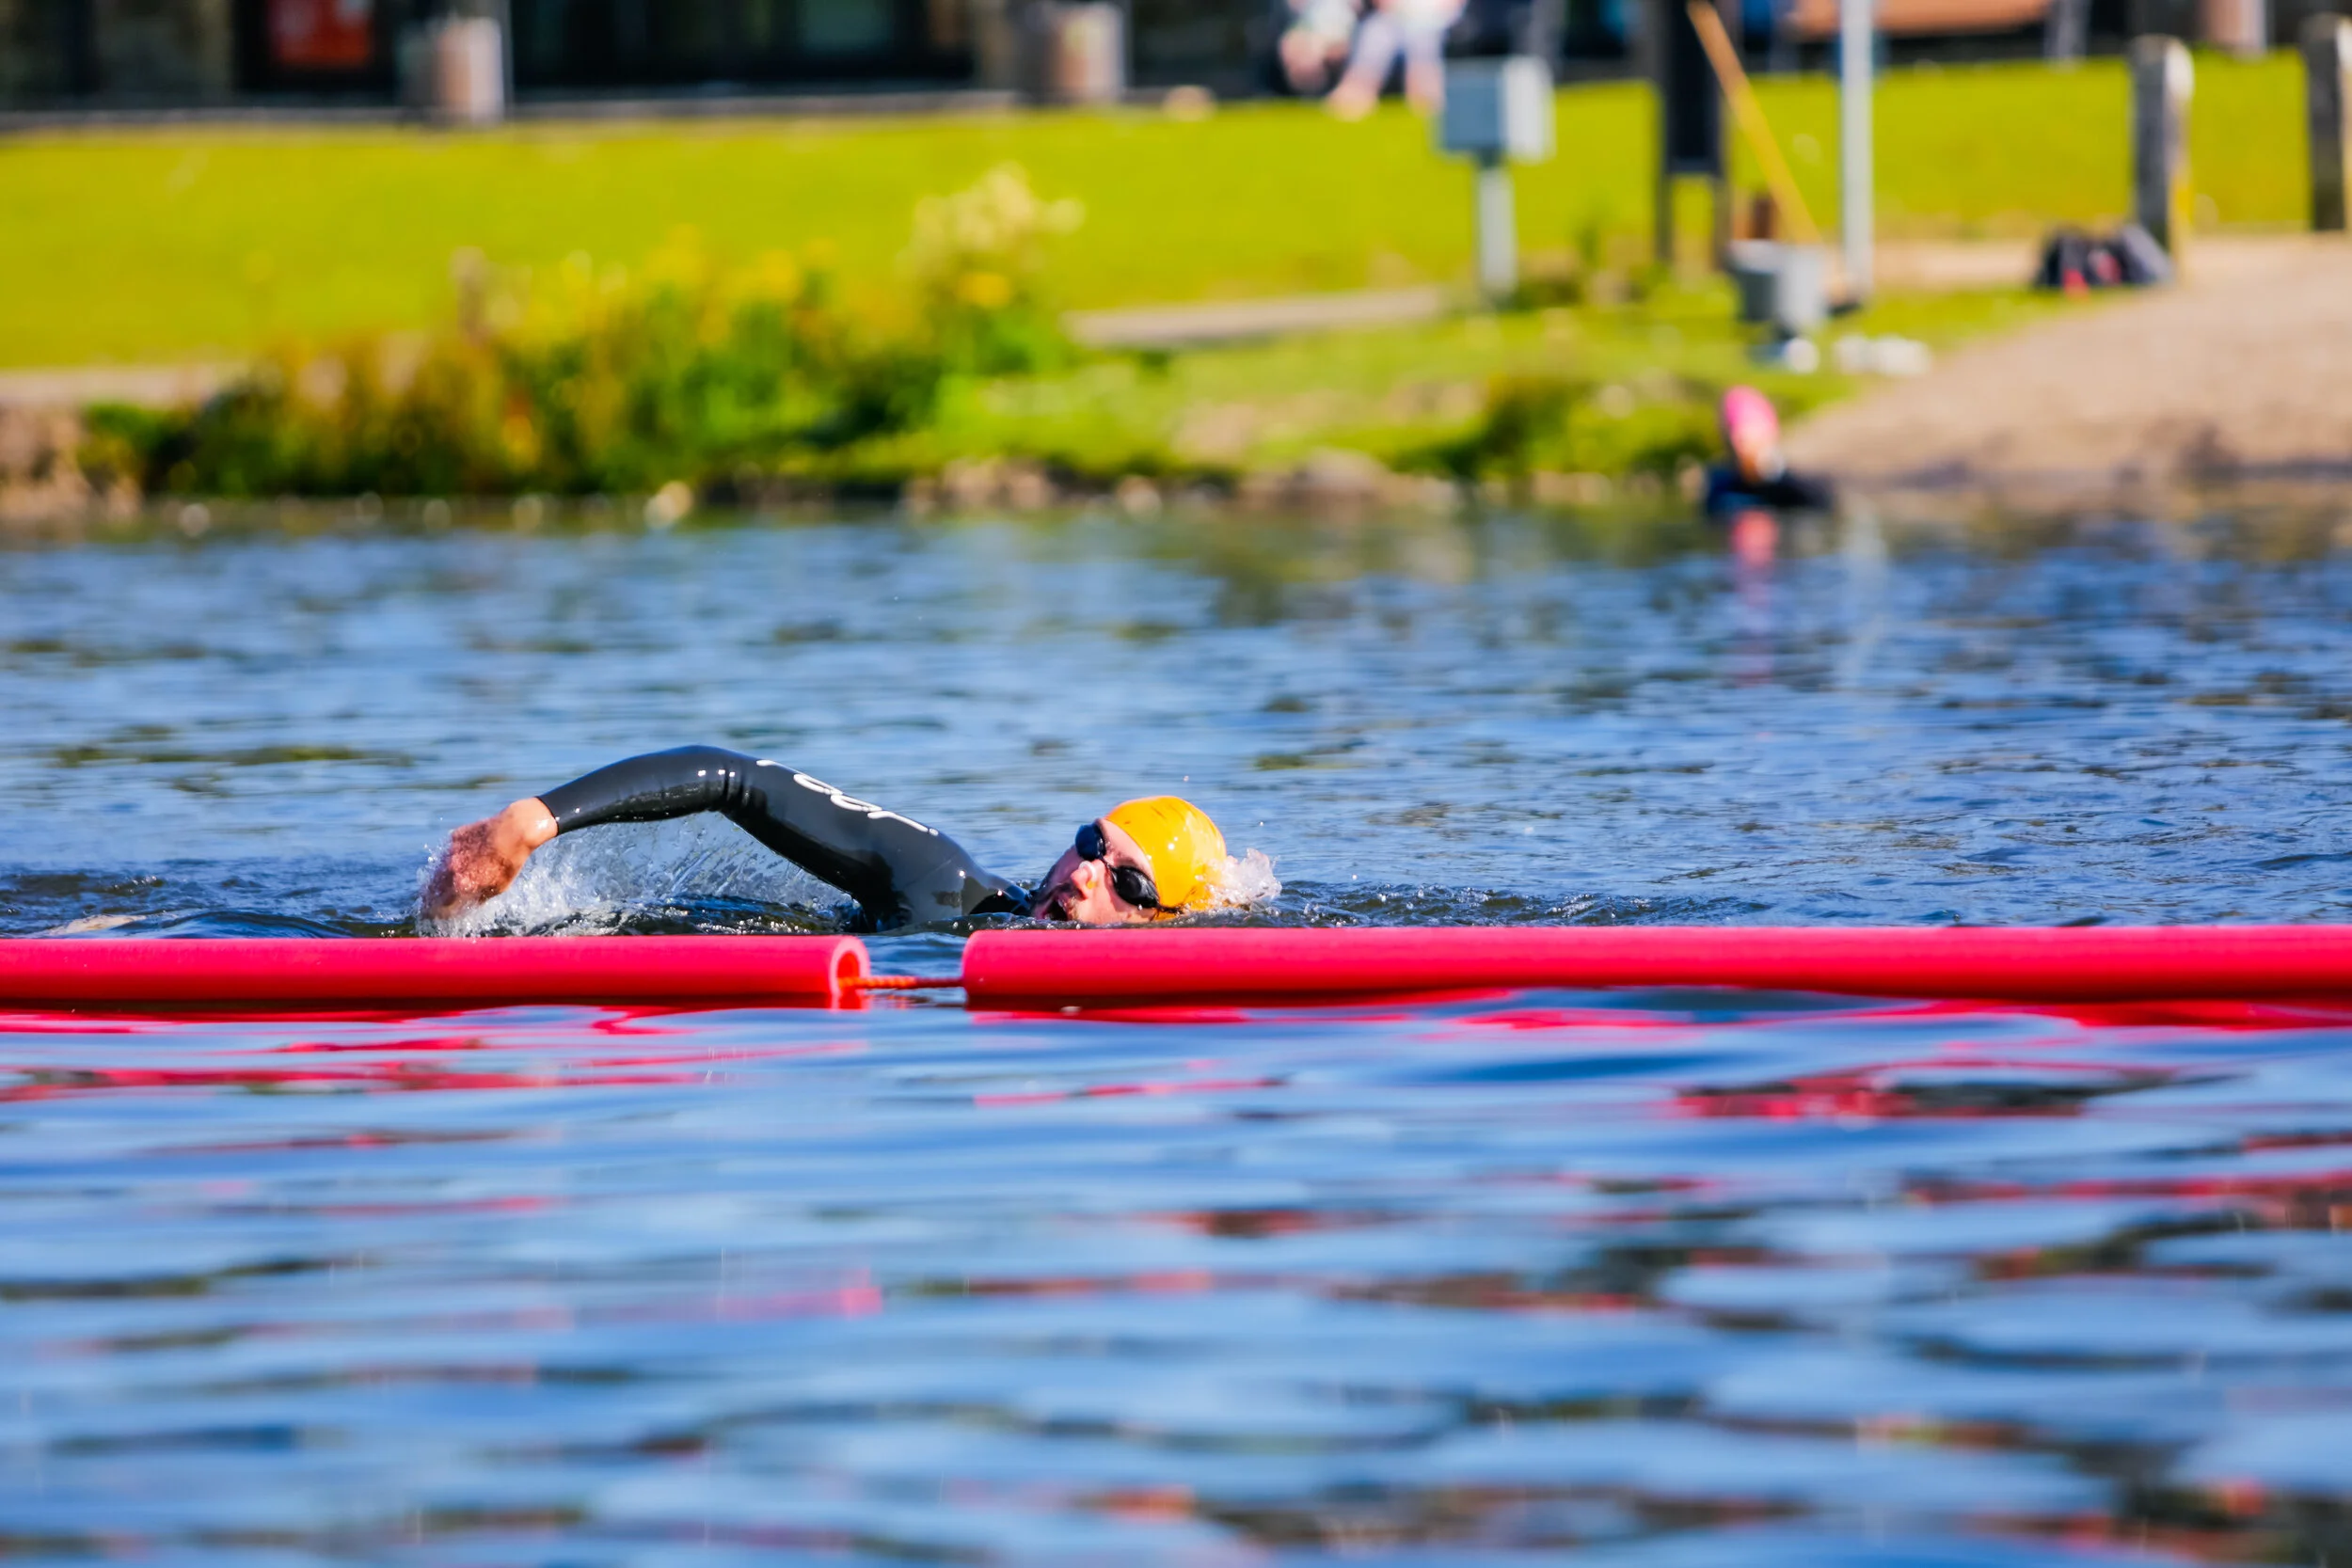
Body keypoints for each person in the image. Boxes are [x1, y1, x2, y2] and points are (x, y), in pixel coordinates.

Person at [422, 746, 1231, 933]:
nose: (1088, 874)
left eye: (1126, 881)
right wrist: (530, 821)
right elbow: (741, 780)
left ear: (1169, 922)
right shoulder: (942, 885)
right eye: (1092, 843)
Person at [1702, 385, 1835, 517]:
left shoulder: (1792, 485)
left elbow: (1822, 502)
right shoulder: (1720, 485)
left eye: (1745, 439)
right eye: (1735, 438)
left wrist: (1771, 474)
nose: (1740, 448)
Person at [1327, 0, 1463, 119]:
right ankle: (1356, 94)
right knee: (1376, 32)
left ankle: (1425, 98)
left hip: (1435, 23)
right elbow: (1384, 4)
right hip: (1393, 19)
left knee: (1422, 39)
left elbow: (1451, 7)